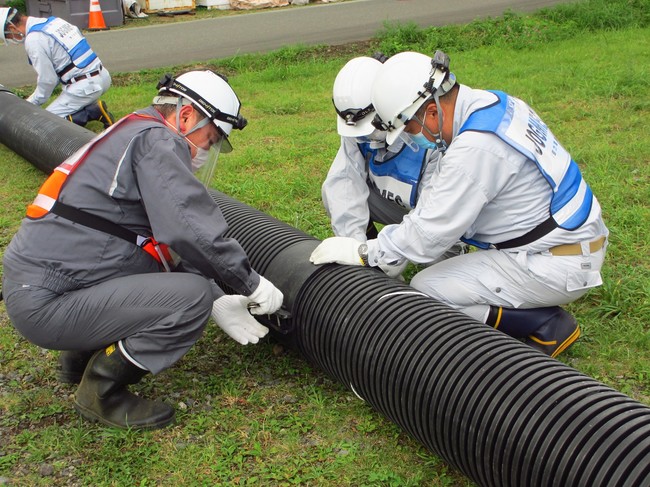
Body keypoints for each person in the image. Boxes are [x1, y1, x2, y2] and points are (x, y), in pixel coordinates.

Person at [2, 69, 284, 430]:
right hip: (48, 303)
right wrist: (250, 283)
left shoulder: (135, 130)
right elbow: (188, 227)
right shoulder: (159, 143)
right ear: (185, 116)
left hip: (41, 288)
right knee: (190, 297)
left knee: (164, 276)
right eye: (210, 139)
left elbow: (155, 247)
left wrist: (219, 298)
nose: (206, 151)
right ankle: (101, 391)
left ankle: (78, 357)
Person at [311, 50, 609, 358]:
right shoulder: (492, 103)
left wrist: (363, 253)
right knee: (435, 276)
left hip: (556, 261)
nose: (411, 137)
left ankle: (545, 324)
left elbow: (429, 231)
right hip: (568, 240)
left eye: (408, 128)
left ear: (429, 112)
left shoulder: (476, 149)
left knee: (428, 289)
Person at [322, 54, 463, 276]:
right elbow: (345, 185)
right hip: (399, 209)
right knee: (335, 193)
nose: (367, 139)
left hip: (433, 216)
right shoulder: (357, 128)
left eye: (372, 130)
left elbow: (433, 216)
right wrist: (357, 251)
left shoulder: (428, 129)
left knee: (435, 281)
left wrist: (391, 254)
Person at [0, 7, 114, 128]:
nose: (12, 40)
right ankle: (91, 106)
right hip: (102, 77)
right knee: (63, 105)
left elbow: (48, 80)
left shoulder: (34, 39)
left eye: (8, 37)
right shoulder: (54, 22)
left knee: (42, 125)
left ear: (12, 28)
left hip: (85, 86)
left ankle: (91, 112)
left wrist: (31, 104)